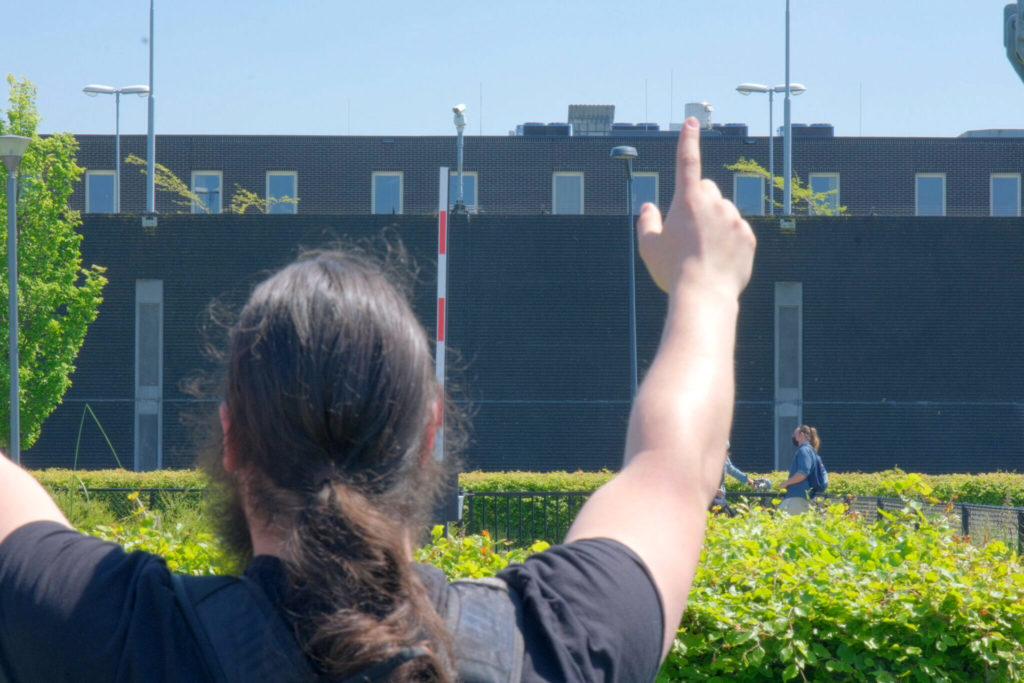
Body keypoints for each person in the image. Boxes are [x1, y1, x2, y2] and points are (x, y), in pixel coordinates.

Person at [0, 117, 756, 682]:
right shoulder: (553, 642)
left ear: (232, 439)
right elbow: (674, 469)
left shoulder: (123, 639)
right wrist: (707, 285)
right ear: (429, 431)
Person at [777, 425, 821, 514]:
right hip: (805, 497)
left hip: (797, 496)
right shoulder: (811, 451)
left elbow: (802, 474)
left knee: (779, 520)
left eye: (794, 434)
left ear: (801, 435)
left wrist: (786, 483)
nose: (793, 436)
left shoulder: (803, 450)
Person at [710, 442, 755, 514]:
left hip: (719, 498)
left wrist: (747, 480)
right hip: (707, 500)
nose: (726, 454)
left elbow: (732, 470)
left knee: (731, 515)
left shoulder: (725, 460)